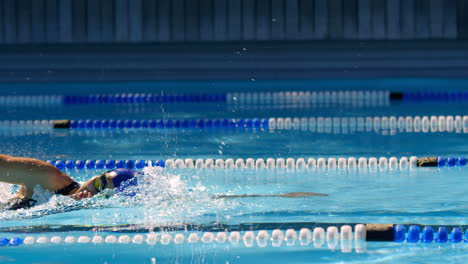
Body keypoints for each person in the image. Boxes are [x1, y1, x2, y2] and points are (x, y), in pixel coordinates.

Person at [0, 154, 327, 210]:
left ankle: (282, 196)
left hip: (115, 185)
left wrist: (101, 184)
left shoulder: (58, 185)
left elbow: (116, 179)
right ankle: (281, 196)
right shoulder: (38, 187)